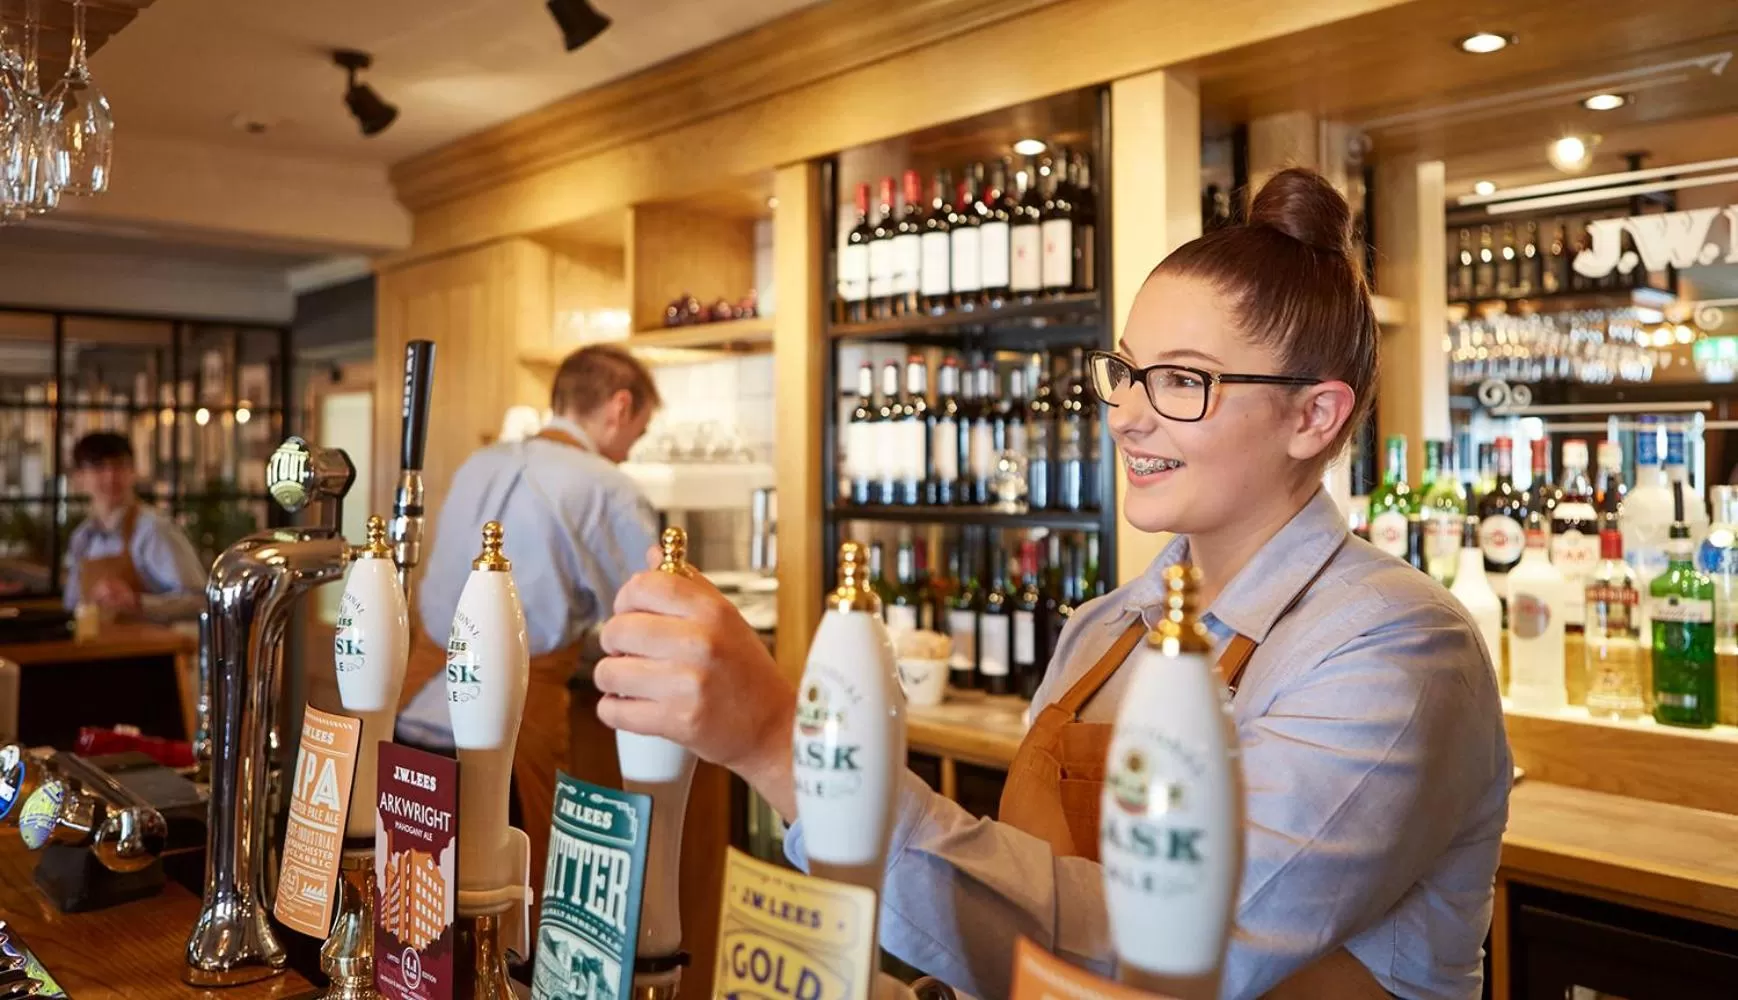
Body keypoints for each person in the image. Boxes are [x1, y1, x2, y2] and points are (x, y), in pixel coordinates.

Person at [591, 169, 1512, 999]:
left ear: (1314, 415)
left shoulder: (1397, 649)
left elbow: (1164, 955)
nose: (1127, 417)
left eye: (1181, 382)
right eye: (1124, 372)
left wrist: (783, 744)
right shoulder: (1105, 626)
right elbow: (1020, 923)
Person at [396, 343, 660, 883]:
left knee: (413, 898)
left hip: (412, 712)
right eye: (641, 429)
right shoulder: (607, 488)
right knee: (508, 907)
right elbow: (650, 613)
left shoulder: (480, 461)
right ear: (619, 407)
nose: (633, 448)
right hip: (504, 729)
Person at [62, 432, 206, 623]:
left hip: (152, 650)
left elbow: (200, 600)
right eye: (99, 467)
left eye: (119, 466)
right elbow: (72, 606)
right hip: (96, 650)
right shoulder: (82, 537)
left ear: (133, 472)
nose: (111, 476)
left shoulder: (153, 530)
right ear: (78, 478)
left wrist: (138, 602)